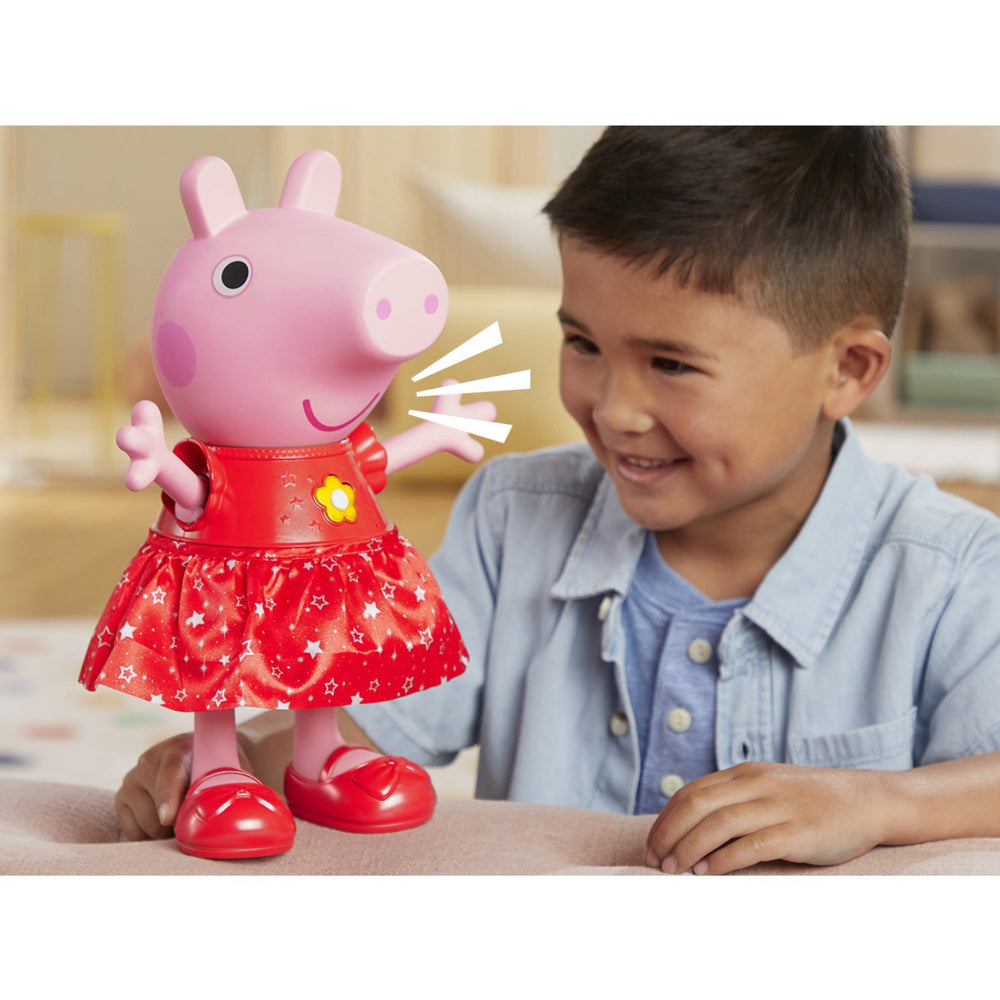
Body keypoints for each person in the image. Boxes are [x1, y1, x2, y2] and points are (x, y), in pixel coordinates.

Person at [114, 127, 1000, 874]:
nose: (613, 409)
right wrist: (233, 756)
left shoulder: (951, 571)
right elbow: (358, 719)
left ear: (847, 370)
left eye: (671, 364)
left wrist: (880, 802)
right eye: (583, 343)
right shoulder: (514, 516)